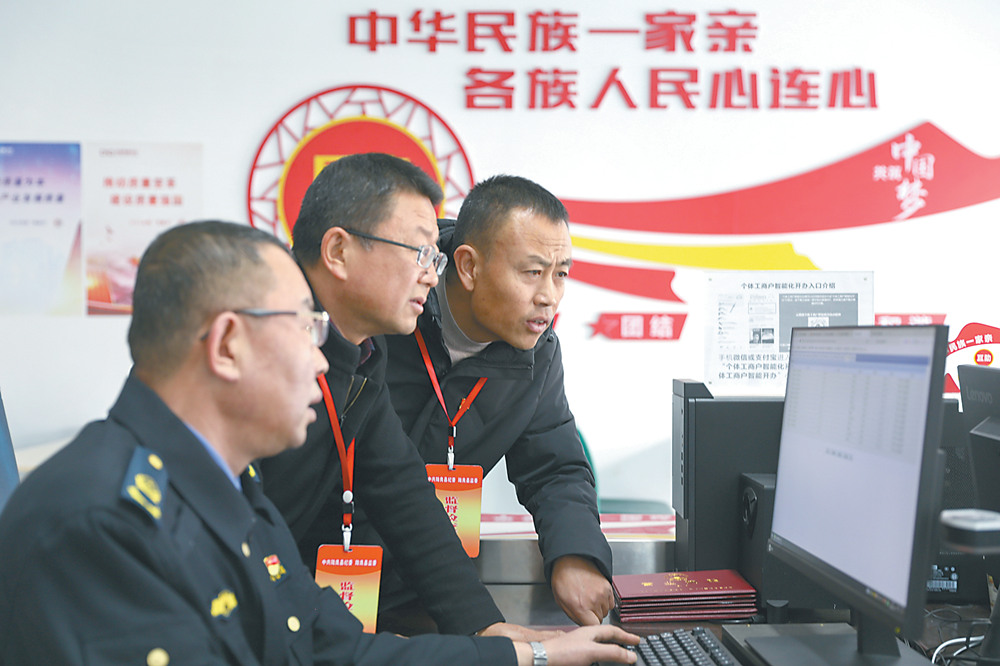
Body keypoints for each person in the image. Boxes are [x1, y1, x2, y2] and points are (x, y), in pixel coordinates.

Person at [0, 220, 639, 665]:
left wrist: (529, 654)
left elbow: (335, 647)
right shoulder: (99, 523)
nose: (319, 359)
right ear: (227, 345)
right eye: (304, 329)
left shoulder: (232, 496)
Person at [259, 153, 549, 639]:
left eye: (434, 258)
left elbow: (402, 491)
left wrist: (487, 630)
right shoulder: (260, 349)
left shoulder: (363, 352)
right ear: (338, 251)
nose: (432, 276)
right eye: (418, 253)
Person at [379, 175, 614, 627]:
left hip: (429, 588)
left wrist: (575, 554)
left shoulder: (537, 355)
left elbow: (555, 468)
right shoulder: (384, 316)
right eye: (532, 272)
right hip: (318, 577)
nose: (549, 296)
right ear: (468, 267)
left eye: (561, 274)